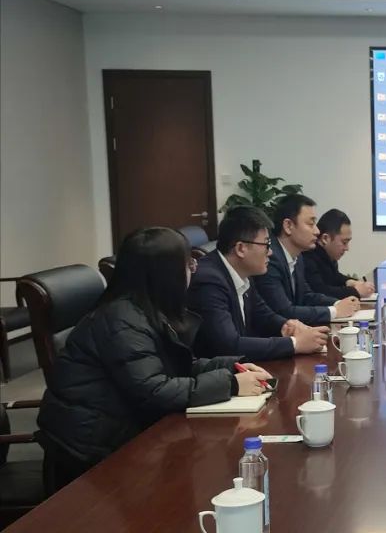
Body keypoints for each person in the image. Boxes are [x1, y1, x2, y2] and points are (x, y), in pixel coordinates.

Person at [36, 227, 273, 493]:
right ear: (166, 274)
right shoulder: (122, 320)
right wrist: (231, 384)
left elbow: (176, 368)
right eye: (188, 265)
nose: (193, 271)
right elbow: (155, 390)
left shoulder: (146, 310)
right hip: (90, 457)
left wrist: (231, 366)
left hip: (123, 433)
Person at [188, 205, 329, 361]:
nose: (270, 252)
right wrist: (294, 344)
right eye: (266, 245)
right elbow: (229, 345)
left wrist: (288, 326)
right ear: (241, 249)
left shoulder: (242, 271)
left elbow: (262, 314)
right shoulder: (209, 282)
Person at [253, 194, 361, 325]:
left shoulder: (298, 256)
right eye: (311, 224)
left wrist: (338, 303)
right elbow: (284, 311)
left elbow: (306, 296)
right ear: (288, 226)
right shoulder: (270, 258)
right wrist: (334, 311)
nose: (317, 231)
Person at [302, 208, 376, 299]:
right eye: (344, 242)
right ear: (325, 238)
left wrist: (350, 282)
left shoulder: (328, 255)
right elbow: (320, 291)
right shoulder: (307, 256)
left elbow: (335, 277)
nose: (347, 248)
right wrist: (355, 291)